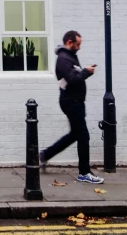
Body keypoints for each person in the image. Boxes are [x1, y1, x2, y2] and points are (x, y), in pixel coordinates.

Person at [40, 31, 104, 184]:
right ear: (69, 42)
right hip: (71, 102)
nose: (79, 47)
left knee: (75, 134)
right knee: (83, 135)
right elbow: (73, 79)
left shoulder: (69, 57)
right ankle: (84, 172)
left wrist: (84, 71)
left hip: (75, 101)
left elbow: (74, 76)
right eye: (78, 44)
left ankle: (44, 155)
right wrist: (86, 72)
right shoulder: (63, 59)